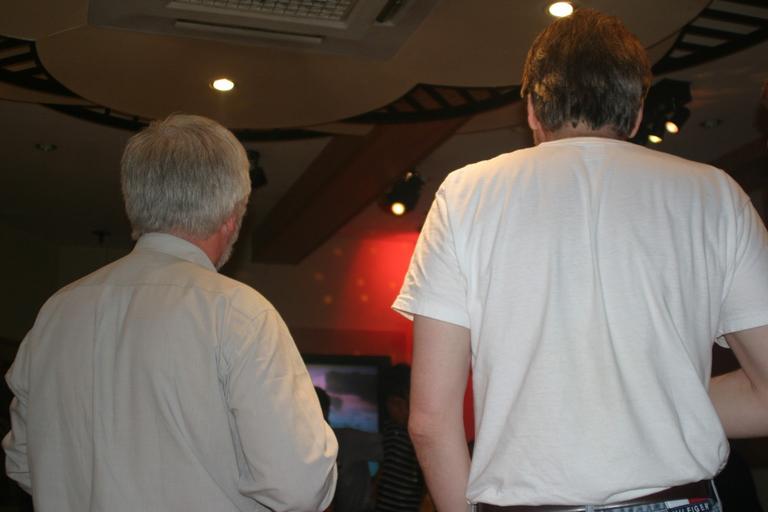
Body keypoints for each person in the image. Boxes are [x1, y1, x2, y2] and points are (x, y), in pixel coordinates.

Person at [393, 8, 768, 512]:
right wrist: (658, 406)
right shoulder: (716, 194)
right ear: (637, 114)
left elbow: (430, 422)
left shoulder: (464, 194)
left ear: (531, 109)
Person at [2, 114, 338, 512]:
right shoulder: (239, 313)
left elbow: (23, 463)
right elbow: (299, 485)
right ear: (232, 216)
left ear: (134, 202)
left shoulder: (56, 313)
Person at [315, 386, 382, 512]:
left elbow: (391, 448)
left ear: (321, 412)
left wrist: (376, 486)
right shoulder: (346, 440)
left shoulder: (347, 440)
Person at [375, 364, 425, 512]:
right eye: (389, 403)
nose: (392, 409)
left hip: (408, 505)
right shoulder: (390, 428)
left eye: (397, 404)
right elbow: (387, 462)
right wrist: (375, 486)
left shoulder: (417, 433)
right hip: (384, 503)